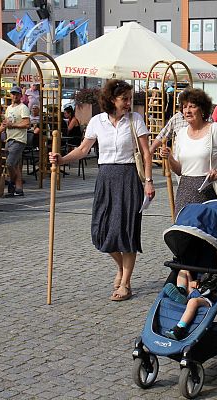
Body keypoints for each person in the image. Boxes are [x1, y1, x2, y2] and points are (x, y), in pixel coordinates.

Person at [48, 79, 155, 301]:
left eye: (129, 98)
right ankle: (121, 268)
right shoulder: (97, 121)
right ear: (111, 100)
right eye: (124, 99)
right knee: (101, 232)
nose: (128, 102)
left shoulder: (135, 119)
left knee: (126, 231)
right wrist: (62, 160)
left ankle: (126, 282)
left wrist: (149, 181)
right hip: (105, 178)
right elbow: (83, 149)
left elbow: (146, 153)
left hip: (128, 177)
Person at [159, 88, 217, 215]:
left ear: (202, 109)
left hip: (208, 190)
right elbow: (179, 170)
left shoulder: (215, 129)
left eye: (192, 106)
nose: (187, 111)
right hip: (184, 191)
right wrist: (169, 157)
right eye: (184, 107)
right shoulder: (181, 134)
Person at [0, 86, 30, 197]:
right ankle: (19, 189)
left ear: (21, 96)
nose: (14, 96)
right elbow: (5, 124)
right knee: (15, 166)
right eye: (13, 94)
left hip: (19, 139)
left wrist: (13, 125)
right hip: (9, 139)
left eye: (17, 94)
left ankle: (11, 183)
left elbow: (26, 124)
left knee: (9, 163)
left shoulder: (23, 107)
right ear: (10, 95)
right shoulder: (9, 108)